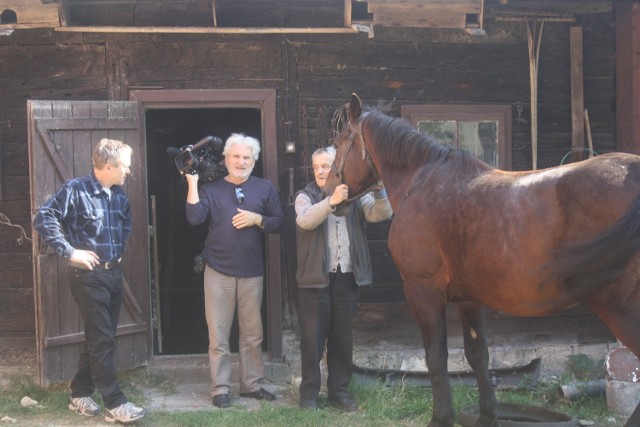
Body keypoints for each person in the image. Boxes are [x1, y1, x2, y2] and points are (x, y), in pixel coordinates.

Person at [32, 138, 147, 424]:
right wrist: (70, 252)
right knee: (102, 338)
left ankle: (79, 393)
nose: (128, 172)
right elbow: (44, 218)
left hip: (113, 274)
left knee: (100, 335)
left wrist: (116, 253)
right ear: (108, 166)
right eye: (125, 167)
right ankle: (114, 404)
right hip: (88, 277)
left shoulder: (119, 195)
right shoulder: (75, 190)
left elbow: (126, 223)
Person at [185, 133, 284, 409]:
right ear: (226, 159)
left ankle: (252, 385)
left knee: (253, 334)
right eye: (236, 156)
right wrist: (192, 184)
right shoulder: (211, 189)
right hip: (217, 272)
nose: (241, 162)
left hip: (252, 272)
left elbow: (280, 222)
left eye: (247, 157)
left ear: (254, 160)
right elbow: (194, 218)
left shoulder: (264, 188)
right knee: (219, 334)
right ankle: (220, 389)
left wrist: (258, 219)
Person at [295, 146, 393, 411]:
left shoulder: (355, 195)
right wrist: (330, 201)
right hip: (315, 280)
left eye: (326, 166)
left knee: (341, 339)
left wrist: (380, 189)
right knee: (312, 341)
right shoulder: (305, 196)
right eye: (317, 167)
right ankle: (309, 396)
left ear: (338, 167)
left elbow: (381, 213)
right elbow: (305, 220)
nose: (321, 172)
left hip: (346, 278)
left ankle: (339, 392)